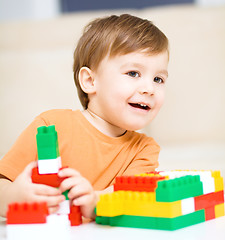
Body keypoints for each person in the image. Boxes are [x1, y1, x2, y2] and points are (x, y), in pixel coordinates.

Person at [0, 14, 169, 219]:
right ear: (89, 81)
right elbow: (3, 181)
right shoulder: (50, 126)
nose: (149, 88)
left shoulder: (145, 150)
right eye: (133, 73)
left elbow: (127, 197)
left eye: (158, 79)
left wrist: (95, 201)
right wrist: (12, 196)